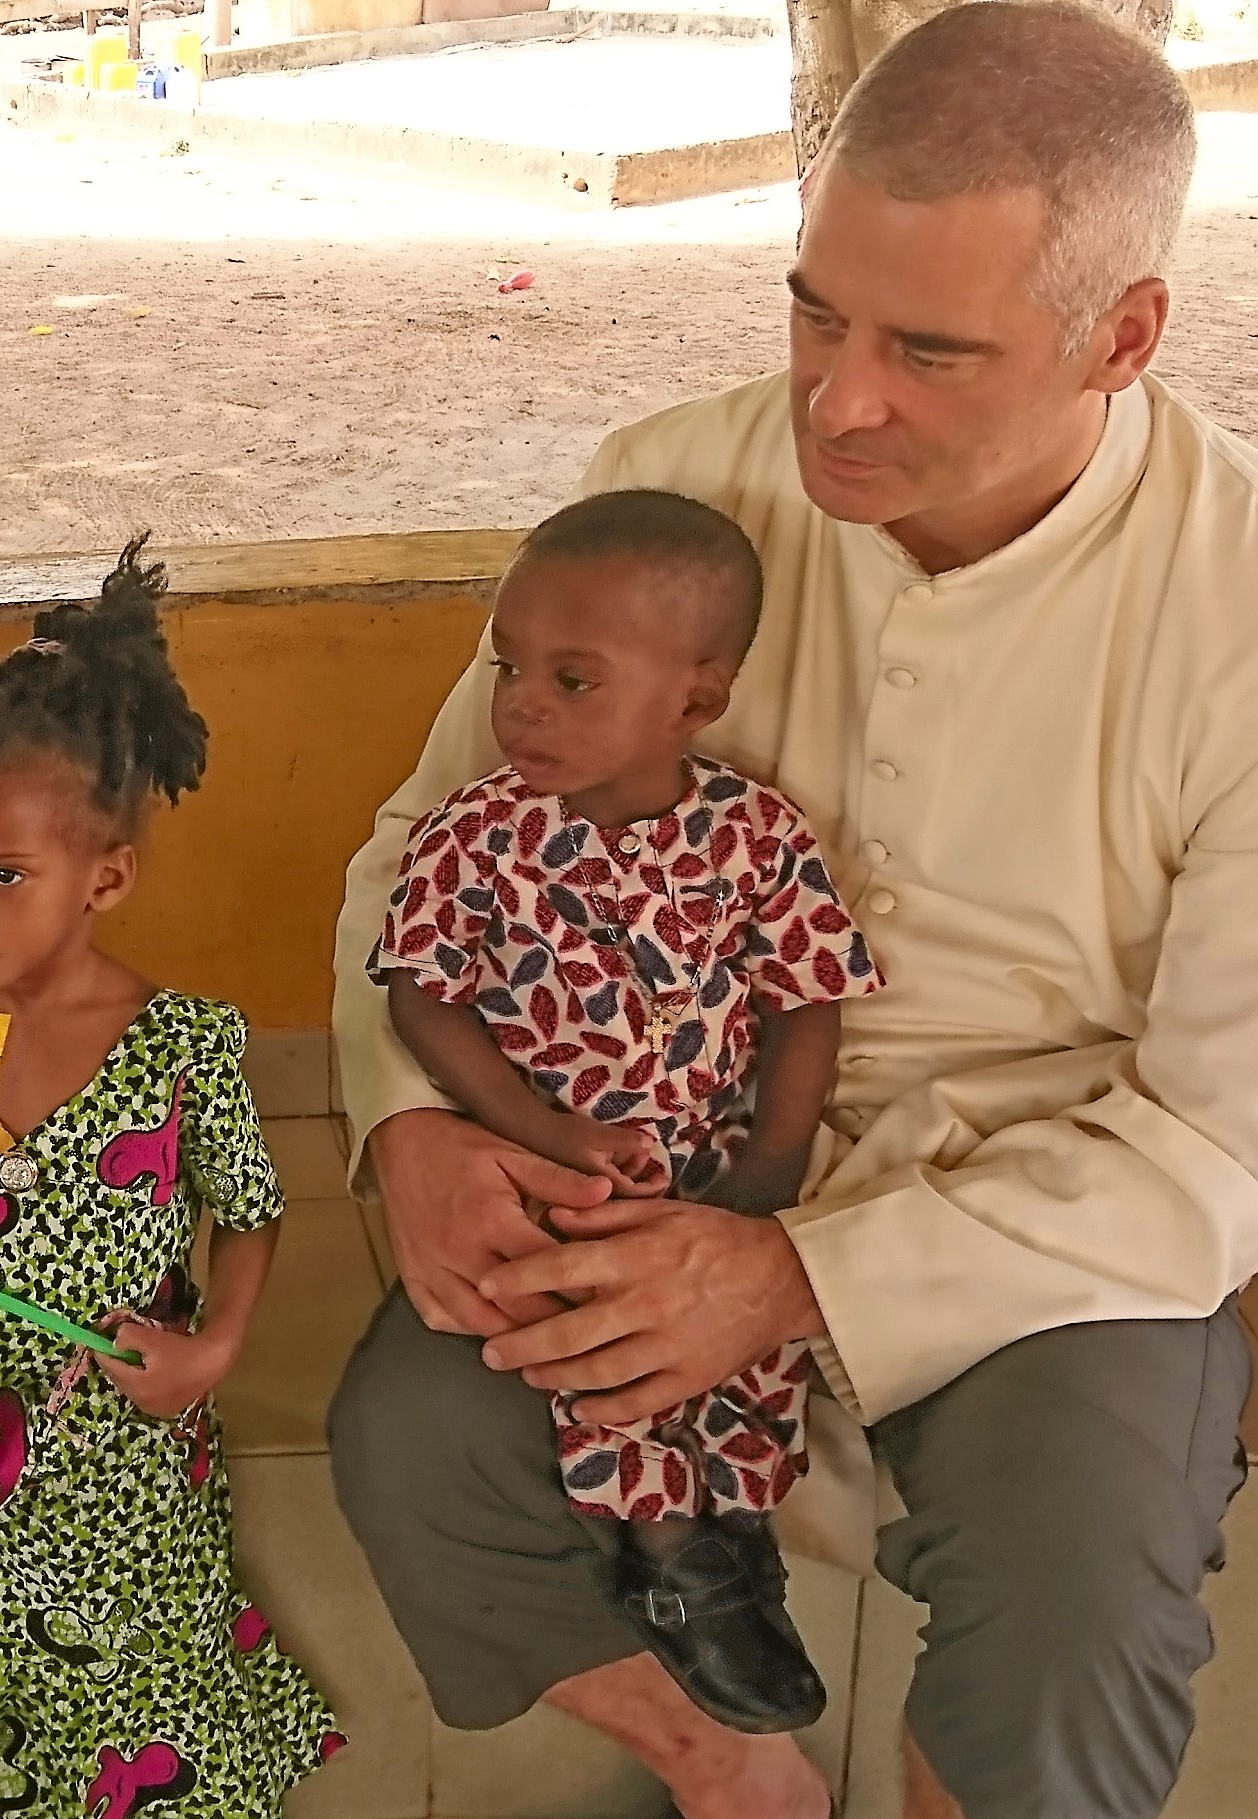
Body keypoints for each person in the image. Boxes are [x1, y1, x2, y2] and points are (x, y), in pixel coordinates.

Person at [325, 7, 1258, 1818]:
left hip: (1047, 1210)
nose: (837, 398)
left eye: (929, 349)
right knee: (413, 1433)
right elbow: (424, 836)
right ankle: (731, 1771)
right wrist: (410, 1119)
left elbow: (1218, 1146)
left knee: (1075, 1596)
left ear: (1119, 335)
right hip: (640, 1144)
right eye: (814, 310)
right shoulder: (675, 492)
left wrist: (796, 1268)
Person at [0, 539, 344, 1819]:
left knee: (137, 1671)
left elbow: (255, 1216)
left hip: (122, 1437)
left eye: (5, 875)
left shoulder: (182, 1048)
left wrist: (212, 1351)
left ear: (104, 877)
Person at [373, 489, 879, 1735]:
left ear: (695, 701)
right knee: (597, 1349)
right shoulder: (475, 839)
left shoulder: (756, 837)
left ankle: (731, 1538)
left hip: (714, 1173)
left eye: (574, 679)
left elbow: (808, 995)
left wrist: (773, 1155)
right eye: (511, 668)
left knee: (740, 1354)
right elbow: (424, 1002)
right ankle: (673, 1563)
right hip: (561, 1183)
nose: (523, 704)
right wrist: (539, 1134)